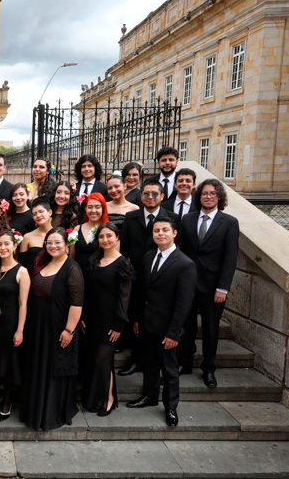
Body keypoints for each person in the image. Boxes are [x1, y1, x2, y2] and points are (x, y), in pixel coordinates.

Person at [127, 217, 196, 428]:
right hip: (147, 323)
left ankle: (171, 407)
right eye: (157, 230)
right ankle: (149, 396)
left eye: (165, 230)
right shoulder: (148, 257)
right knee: (149, 363)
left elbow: (184, 303)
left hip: (168, 328)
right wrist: (137, 319)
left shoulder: (185, 263)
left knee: (169, 369)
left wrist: (174, 332)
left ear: (174, 233)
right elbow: (142, 292)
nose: (160, 234)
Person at [20, 227, 83, 432]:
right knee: (37, 367)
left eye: (57, 242)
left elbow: (76, 303)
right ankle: (33, 410)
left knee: (52, 369)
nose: (53, 246)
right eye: (49, 242)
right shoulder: (41, 264)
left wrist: (69, 330)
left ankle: (49, 412)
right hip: (36, 327)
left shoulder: (72, 268)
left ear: (66, 244)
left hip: (57, 328)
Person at [178, 179, 239, 388]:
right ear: (199, 196)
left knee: (211, 329)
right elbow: (181, 252)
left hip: (214, 287)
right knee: (186, 326)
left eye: (213, 193)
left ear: (219, 197)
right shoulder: (187, 219)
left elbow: (230, 259)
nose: (208, 196)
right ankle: (185, 362)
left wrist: (223, 288)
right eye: (204, 193)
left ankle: (209, 368)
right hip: (188, 284)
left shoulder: (229, 222)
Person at [117, 181, 180, 377]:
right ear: (140, 197)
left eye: (154, 194)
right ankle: (137, 360)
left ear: (162, 196)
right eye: (146, 194)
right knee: (136, 320)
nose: (150, 197)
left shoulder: (173, 218)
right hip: (136, 277)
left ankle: (159, 365)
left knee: (157, 321)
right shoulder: (130, 217)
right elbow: (125, 247)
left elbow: (179, 248)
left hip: (163, 278)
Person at [80, 223, 132, 416]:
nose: (105, 240)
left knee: (103, 361)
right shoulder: (95, 259)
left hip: (110, 321)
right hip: (92, 318)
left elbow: (124, 298)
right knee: (95, 360)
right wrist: (83, 316)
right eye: (101, 237)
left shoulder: (123, 263)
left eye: (109, 236)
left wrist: (119, 324)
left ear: (117, 237)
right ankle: (96, 397)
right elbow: (88, 291)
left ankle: (108, 399)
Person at [0, 231, 30, 421]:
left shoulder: (21, 271)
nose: (3, 248)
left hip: (10, 322)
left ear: (14, 246)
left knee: (9, 364)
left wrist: (20, 330)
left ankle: (7, 400)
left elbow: (23, 304)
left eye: (6, 244)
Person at [69, 192, 108, 266]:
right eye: (90, 207)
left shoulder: (107, 230)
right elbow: (72, 256)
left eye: (97, 207)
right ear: (85, 209)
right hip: (79, 273)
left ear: (103, 209)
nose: (93, 210)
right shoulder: (76, 229)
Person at [18, 197, 53, 273]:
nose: (38, 215)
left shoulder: (59, 234)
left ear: (50, 212)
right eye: (34, 214)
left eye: (41, 211)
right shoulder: (27, 237)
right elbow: (22, 265)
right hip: (32, 278)